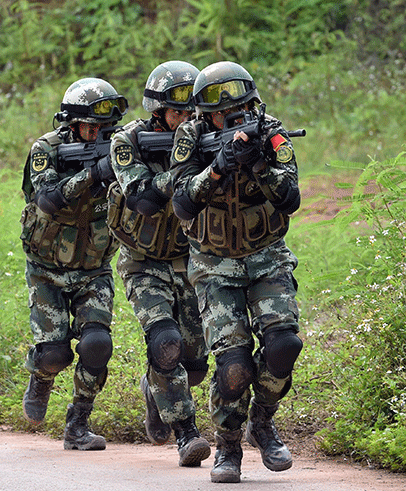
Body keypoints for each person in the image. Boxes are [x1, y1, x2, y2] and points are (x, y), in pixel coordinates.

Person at [170, 61, 302, 483]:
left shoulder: (270, 131)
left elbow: (290, 198)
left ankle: (262, 421)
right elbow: (183, 202)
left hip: (266, 254)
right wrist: (219, 166)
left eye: (235, 106)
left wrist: (259, 163)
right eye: (216, 110)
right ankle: (228, 448)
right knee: (233, 364)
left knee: (284, 345)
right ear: (203, 113)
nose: (227, 113)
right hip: (214, 263)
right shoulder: (189, 137)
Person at [108, 61, 211, 466]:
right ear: (157, 110)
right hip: (143, 261)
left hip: (192, 259)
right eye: (178, 112)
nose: (187, 120)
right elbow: (143, 199)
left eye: (192, 112)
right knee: (165, 344)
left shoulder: (206, 135)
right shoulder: (128, 140)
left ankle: (155, 390)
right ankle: (187, 435)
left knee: (195, 364)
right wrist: (185, 169)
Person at [19, 77, 127, 450]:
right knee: (54, 354)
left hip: (93, 267)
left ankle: (78, 422)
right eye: (90, 127)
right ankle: (41, 377)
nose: (98, 135)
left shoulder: (121, 147)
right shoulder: (46, 150)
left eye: (106, 129)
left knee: (97, 345)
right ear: (71, 123)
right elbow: (47, 199)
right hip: (46, 267)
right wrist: (92, 174)